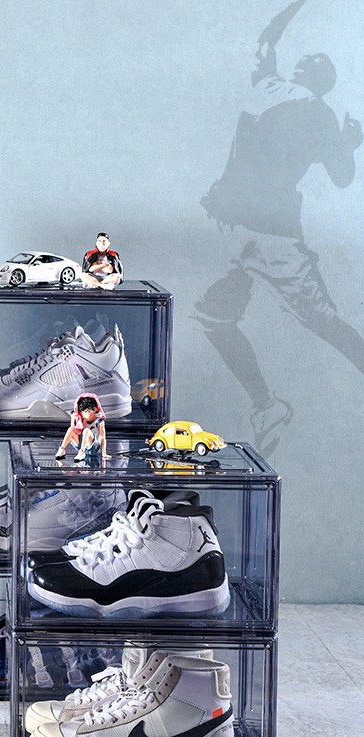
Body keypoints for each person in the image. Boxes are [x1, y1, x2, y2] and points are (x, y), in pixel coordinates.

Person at [195, 0, 362, 456]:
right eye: (310, 57)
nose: (310, 58)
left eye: (318, 62)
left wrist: (347, 144)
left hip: (267, 233)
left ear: (319, 80)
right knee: (214, 317)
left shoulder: (308, 105)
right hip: (241, 228)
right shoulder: (272, 84)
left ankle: (269, 406)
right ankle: (266, 407)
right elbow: (267, 38)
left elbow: (341, 175)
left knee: (321, 320)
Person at [55, 394, 108, 462]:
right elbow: (73, 430)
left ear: (95, 409)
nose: (84, 414)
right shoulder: (81, 419)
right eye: (82, 412)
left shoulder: (99, 421)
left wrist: (104, 453)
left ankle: (82, 452)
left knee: (86, 430)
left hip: (93, 448)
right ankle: (62, 449)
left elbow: (102, 437)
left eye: (87, 411)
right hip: (81, 445)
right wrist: (72, 419)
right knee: (70, 429)